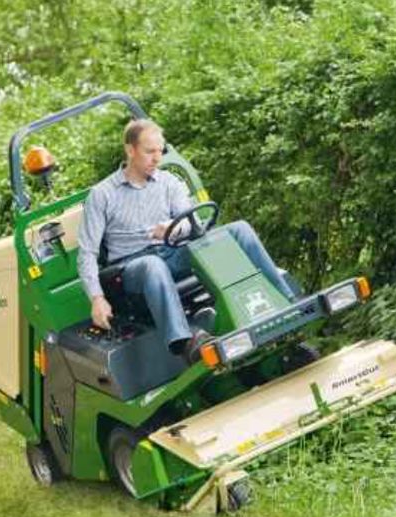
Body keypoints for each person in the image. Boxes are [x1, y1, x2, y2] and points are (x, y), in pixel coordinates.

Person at [77, 119, 296, 360]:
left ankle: (286, 300)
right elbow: (87, 253)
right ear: (130, 150)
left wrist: (173, 228)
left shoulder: (169, 182)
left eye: (160, 151)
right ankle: (184, 340)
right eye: (149, 151)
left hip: (172, 250)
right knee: (153, 265)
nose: (157, 158)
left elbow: (190, 223)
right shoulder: (102, 194)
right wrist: (97, 299)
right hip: (132, 266)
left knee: (238, 230)